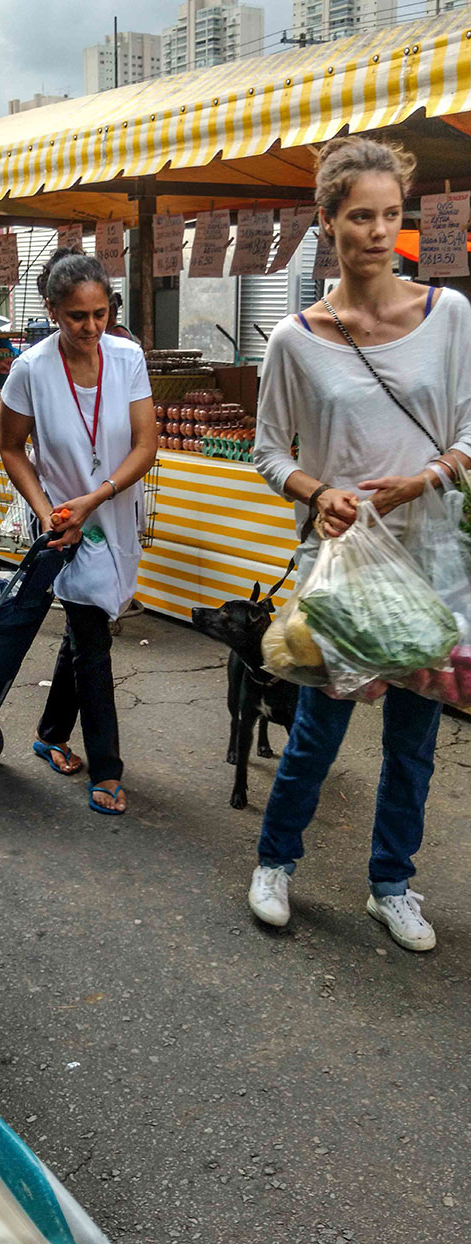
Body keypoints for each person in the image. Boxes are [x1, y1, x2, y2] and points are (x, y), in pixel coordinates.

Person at [250, 135, 471, 952]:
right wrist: (319, 492)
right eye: (360, 217)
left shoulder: (450, 316)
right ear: (327, 221)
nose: (379, 232)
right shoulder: (294, 339)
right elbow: (271, 452)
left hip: (428, 563)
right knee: (318, 730)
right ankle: (275, 863)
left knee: (415, 740)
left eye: (391, 215)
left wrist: (431, 475)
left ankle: (392, 884)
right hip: (342, 567)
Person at [0, 250, 157, 815]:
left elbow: (145, 444)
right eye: (76, 317)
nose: (91, 328)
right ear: (52, 311)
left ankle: (48, 732)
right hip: (69, 528)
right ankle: (109, 769)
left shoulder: (127, 356)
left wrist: (100, 496)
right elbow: (11, 448)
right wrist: (48, 511)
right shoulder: (31, 369)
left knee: (89, 622)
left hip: (115, 510)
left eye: (101, 314)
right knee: (93, 638)